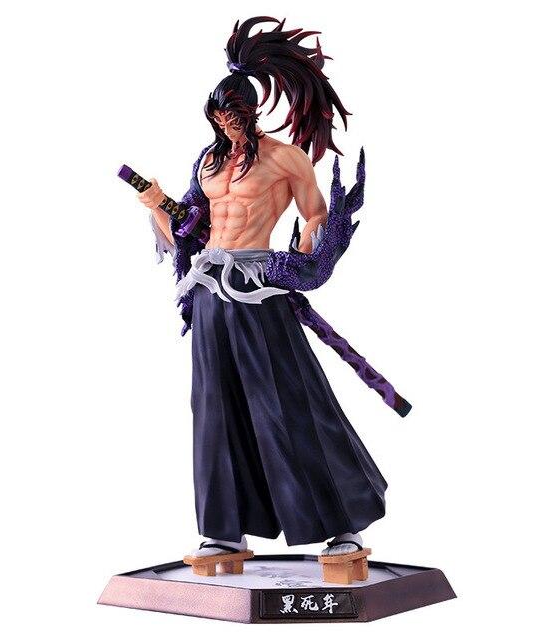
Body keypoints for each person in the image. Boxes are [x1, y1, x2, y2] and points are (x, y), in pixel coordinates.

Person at [138, 17, 389, 559]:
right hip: (208, 290)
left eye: (234, 115)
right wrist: (156, 205)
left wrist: (298, 262)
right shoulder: (208, 162)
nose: (225, 124)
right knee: (213, 408)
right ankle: (223, 530)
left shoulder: (284, 158)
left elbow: (315, 216)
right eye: (217, 116)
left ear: (251, 111)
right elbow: (186, 234)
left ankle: (343, 522)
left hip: (258, 286)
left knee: (289, 400)